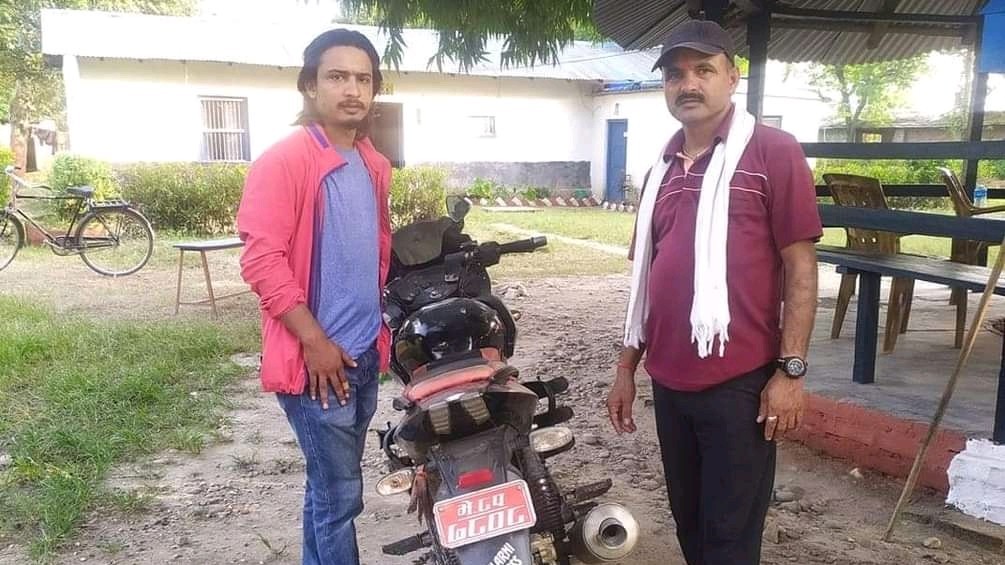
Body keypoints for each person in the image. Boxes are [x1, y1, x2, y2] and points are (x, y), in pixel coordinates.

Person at [605, 20, 823, 565]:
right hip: (670, 383)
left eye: (703, 70)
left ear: (732, 77)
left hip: (740, 385)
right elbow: (648, 278)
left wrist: (791, 371)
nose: (688, 84)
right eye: (675, 75)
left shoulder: (772, 152)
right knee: (690, 526)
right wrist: (626, 368)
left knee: (730, 538)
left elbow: (801, 267)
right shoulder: (659, 169)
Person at [236, 28, 392, 565]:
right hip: (318, 366)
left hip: (362, 355)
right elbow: (261, 261)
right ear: (310, 86)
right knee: (340, 498)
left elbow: (370, 252)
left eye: (363, 79)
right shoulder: (285, 161)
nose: (352, 89)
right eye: (337, 77)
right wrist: (314, 342)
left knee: (326, 490)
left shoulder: (372, 163)